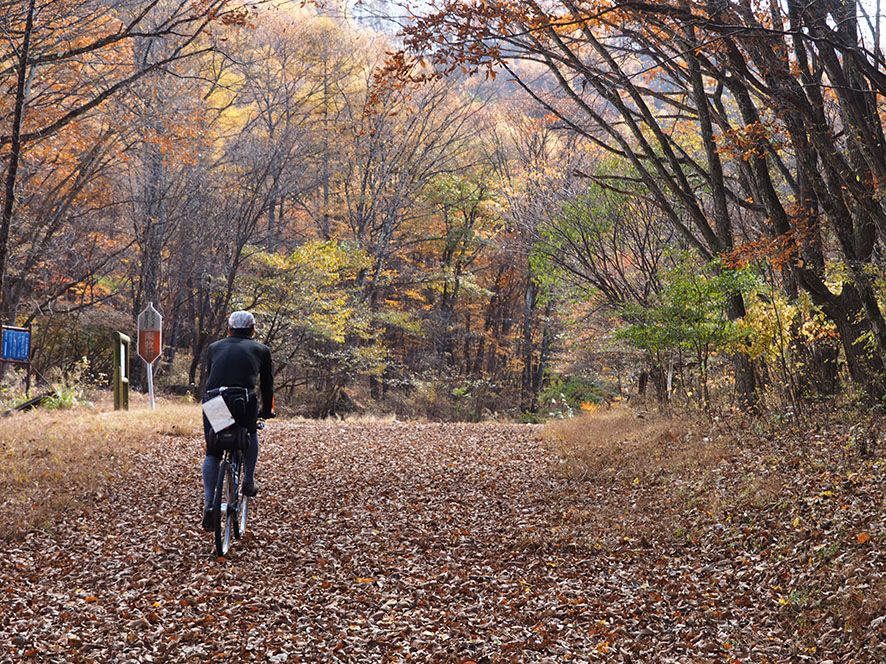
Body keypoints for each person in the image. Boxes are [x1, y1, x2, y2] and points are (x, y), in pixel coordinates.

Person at [201, 310, 275, 531]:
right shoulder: (261, 350)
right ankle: (248, 481)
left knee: (213, 450)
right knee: (249, 433)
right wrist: (267, 410)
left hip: (214, 399)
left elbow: (210, 377)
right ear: (252, 330)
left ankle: (209, 503)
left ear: (229, 329)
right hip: (242, 400)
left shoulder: (214, 348)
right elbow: (267, 385)